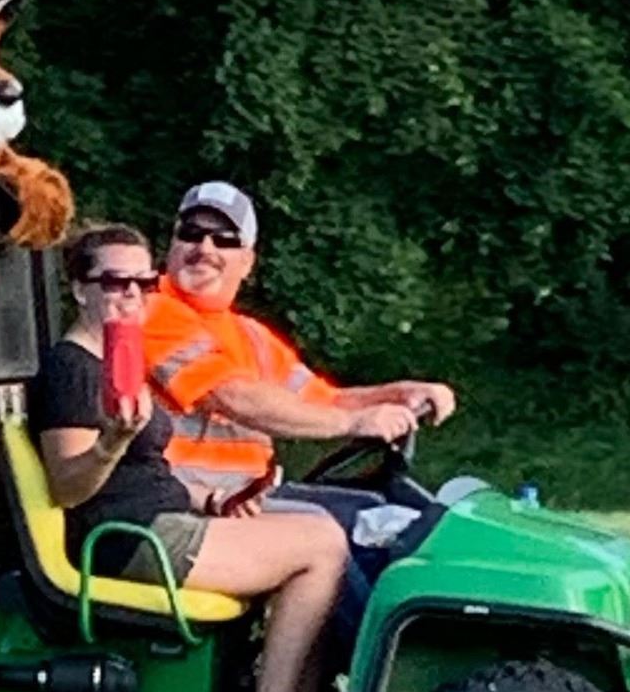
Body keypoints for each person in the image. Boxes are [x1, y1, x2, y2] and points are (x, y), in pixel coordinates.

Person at [27, 223, 351, 692]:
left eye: (143, 283)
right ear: (80, 288)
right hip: (128, 539)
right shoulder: (72, 370)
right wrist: (111, 442)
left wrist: (212, 499)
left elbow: (150, 472)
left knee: (316, 528)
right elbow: (69, 487)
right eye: (113, 282)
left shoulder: (120, 362)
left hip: (162, 519)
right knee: (320, 545)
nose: (130, 294)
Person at [143, 180, 457, 516]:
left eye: (225, 240)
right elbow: (233, 396)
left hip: (244, 502)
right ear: (172, 245)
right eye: (191, 233)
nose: (205, 248)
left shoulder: (250, 335)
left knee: (388, 517)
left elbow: (323, 400)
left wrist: (397, 394)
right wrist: (352, 424)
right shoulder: (150, 309)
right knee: (337, 536)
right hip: (180, 510)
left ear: (247, 262)